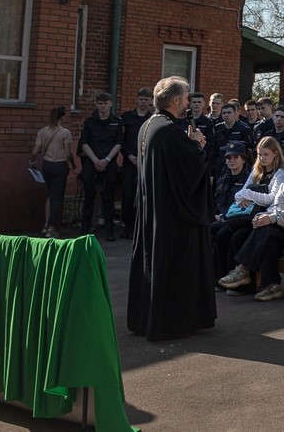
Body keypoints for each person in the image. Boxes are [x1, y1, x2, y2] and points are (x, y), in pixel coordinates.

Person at [127, 76, 215, 341]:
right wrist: (197, 144)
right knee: (175, 267)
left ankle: (146, 318)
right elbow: (190, 172)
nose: (189, 103)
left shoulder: (147, 126)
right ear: (176, 101)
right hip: (172, 217)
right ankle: (173, 323)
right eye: (186, 98)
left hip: (153, 210)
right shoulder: (170, 131)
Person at [219, 138, 284, 302]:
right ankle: (271, 285)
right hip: (282, 220)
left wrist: (273, 217)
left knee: (267, 230)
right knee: (265, 231)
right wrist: (268, 216)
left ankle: (243, 270)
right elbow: (278, 201)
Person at [211, 137, 284, 294]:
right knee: (223, 234)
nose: (262, 158)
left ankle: (245, 285)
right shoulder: (256, 170)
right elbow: (238, 195)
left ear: (275, 153)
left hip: (263, 216)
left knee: (237, 236)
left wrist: (249, 195)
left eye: (266, 154)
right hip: (246, 216)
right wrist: (247, 195)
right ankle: (222, 279)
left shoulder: (280, 173)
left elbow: (270, 199)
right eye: (260, 154)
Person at [78, 91, 124, 241]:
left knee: (108, 198)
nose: (103, 106)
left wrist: (107, 160)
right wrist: (95, 160)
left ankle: (109, 232)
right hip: (91, 163)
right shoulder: (90, 122)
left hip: (109, 163)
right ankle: (85, 231)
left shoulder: (117, 122)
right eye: (100, 103)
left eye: (105, 103)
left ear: (110, 104)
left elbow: (119, 143)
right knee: (89, 197)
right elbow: (84, 143)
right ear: (96, 104)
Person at [30, 106, 77, 238]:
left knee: (50, 195)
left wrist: (32, 162)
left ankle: (46, 224)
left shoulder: (42, 131)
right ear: (62, 117)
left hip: (46, 165)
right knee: (57, 198)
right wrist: (73, 165)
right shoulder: (65, 133)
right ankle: (51, 228)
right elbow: (68, 154)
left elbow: (35, 151)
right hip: (60, 165)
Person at [119, 88, 153, 240]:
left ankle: (140, 228)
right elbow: (121, 140)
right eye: (141, 99)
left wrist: (143, 157)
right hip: (129, 162)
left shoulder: (152, 118)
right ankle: (127, 226)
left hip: (146, 163)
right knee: (127, 195)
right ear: (137, 99)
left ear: (150, 101)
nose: (143, 102)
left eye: (146, 99)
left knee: (144, 196)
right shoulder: (126, 117)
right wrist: (129, 156)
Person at [212, 141, 252, 218]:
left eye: (236, 157)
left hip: (236, 219)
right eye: (229, 158)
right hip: (218, 218)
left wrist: (223, 217)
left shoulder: (249, 181)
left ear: (243, 160)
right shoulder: (222, 180)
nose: (231, 160)